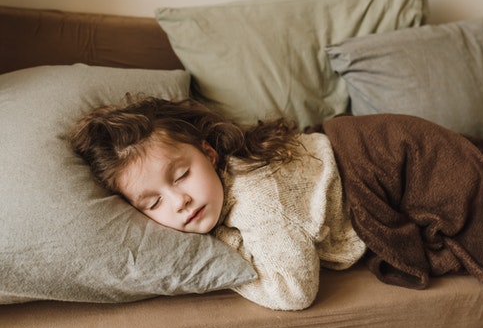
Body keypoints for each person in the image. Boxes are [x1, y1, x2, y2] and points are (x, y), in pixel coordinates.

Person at [69, 95, 366, 311]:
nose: (180, 201)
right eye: (154, 202)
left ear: (209, 154)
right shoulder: (213, 192)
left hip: (377, 159)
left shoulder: (259, 196)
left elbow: (294, 291)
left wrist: (221, 245)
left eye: (182, 175)